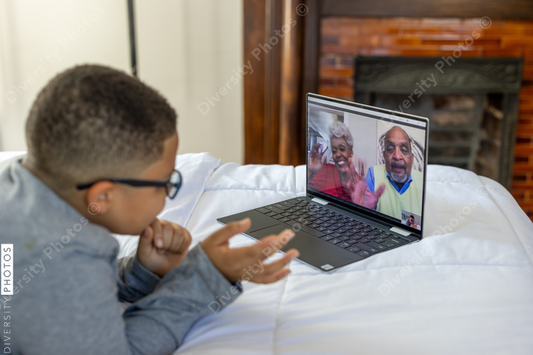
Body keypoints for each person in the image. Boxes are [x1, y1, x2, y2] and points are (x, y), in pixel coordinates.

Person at [0, 65, 299, 355]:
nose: (169, 192)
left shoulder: (17, 188)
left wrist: (141, 274)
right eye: (164, 182)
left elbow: (70, 297)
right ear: (103, 196)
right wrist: (205, 276)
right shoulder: (56, 258)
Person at [308, 121, 384, 209]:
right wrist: (311, 172)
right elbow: (307, 197)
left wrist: (365, 209)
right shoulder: (325, 170)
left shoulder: (358, 185)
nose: (338, 154)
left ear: (351, 151)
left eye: (342, 149)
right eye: (334, 151)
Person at [366, 126, 423, 220]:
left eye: (404, 150)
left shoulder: (422, 181)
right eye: (391, 149)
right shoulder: (373, 174)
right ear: (384, 156)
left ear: (412, 158)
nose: (397, 156)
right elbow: (367, 219)